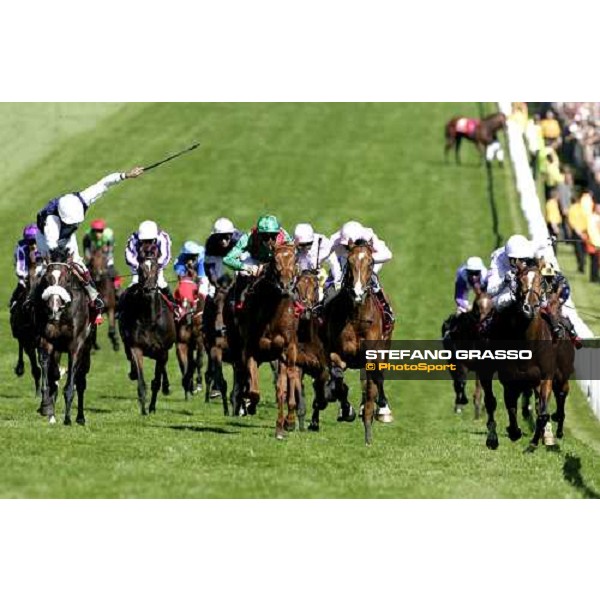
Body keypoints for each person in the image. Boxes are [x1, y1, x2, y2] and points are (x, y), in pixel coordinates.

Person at [36, 166, 144, 310]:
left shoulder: (82, 199)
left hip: (67, 236)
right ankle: (34, 299)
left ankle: (94, 296)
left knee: (80, 265)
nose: (76, 224)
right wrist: (65, 261)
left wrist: (126, 175)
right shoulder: (51, 222)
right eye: (72, 222)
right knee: (49, 268)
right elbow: (53, 247)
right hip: (45, 240)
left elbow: (104, 183)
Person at [329, 220, 395, 329]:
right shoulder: (335, 238)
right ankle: (321, 311)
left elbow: (387, 255)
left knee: (374, 284)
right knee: (330, 288)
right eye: (345, 246)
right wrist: (337, 276)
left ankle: (387, 312)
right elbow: (328, 256)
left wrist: (364, 260)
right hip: (341, 263)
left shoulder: (370, 236)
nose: (347, 247)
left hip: (366, 265)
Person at [223, 214, 293, 310]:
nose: (270, 240)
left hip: (275, 261)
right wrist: (247, 268)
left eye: (273, 236)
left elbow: (292, 256)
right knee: (243, 274)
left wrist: (266, 266)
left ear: (278, 233)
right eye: (265, 236)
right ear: (258, 234)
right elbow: (227, 259)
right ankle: (239, 305)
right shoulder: (249, 238)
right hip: (255, 260)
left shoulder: (285, 238)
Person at [124, 220, 175, 302]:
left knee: (161, 283)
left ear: (155, 239)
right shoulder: (133, 238)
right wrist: (140, 267)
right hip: (139, 267)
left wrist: (154, 267)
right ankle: (120, 310)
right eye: (144, 241)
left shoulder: (163, 237)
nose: (147, 244)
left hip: (156, 267)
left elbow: (166, 256)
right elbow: (129, 257)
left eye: (150, 241)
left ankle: (175, 308)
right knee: (133, 284)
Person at [539, 260, 582, 348]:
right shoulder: (539, 278)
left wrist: (561, 300)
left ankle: (573, 336)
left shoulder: (559, 278)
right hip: (543, 302)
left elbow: (565, 290)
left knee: (563, 314)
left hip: (557, 300)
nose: (547, 276)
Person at [293, 223, 341, 301]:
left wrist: (337, 280)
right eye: (301, 245)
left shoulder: (322, 243)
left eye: (308, 244)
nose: (305, 248)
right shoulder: (292, 245)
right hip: (300, 278)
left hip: (318, 277)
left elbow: (333, 262)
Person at [9, 224, 42, 310]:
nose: (33, 245)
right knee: (22, 285)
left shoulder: (44, 243)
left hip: (42, 267)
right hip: (27, 269)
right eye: (30, 242)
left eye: (35, 241)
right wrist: (24, 276)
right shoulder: (21, 247)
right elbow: (20, 266)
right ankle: (14, 301)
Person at [204, 217, 242, 291]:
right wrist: (216, 284)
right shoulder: (210, 243)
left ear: (232, 234)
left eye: (226, 237)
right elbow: (209, 266)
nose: (223, 241)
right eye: (219, 237)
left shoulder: (240, 239)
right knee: (214, 283)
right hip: (218, 255)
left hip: (236, 254)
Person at [82, 218, 119, 282]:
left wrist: (106, 259)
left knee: (112, 270)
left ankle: (117, 285)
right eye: (95, 231)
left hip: (106, 254)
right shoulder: (88, 236)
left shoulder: (109, 235)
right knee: (85, 271)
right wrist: (90, 258)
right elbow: (86, 250)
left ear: (103, 230)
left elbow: (111, 249)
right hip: (93, 254)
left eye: (100, 231)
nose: (98, 234)